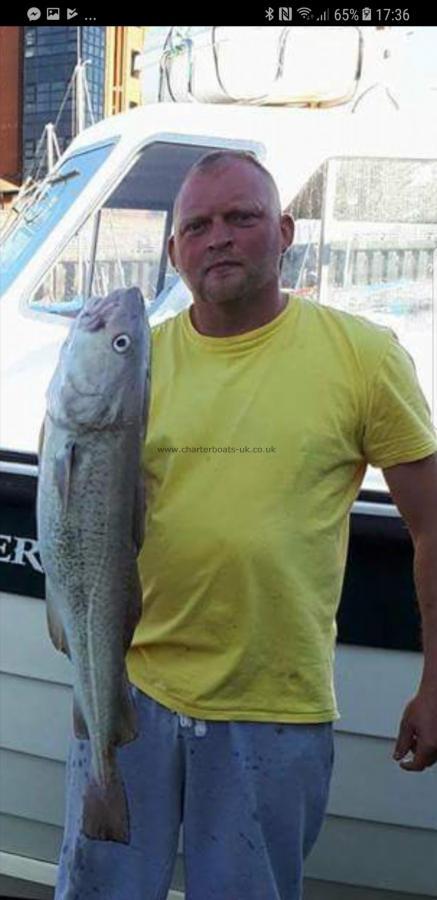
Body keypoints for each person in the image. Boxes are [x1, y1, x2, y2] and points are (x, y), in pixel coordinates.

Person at [55, 150, 437, 900]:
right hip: (132, 691)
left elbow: (430, 527)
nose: (218, 237)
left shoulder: (362, 357)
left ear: (285, 230)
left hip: (274, 709)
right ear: (174, 252)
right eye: (196, 225)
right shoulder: (134, 364)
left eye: (241, 217)